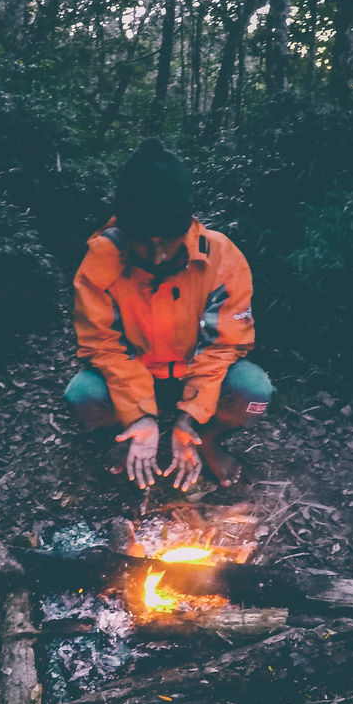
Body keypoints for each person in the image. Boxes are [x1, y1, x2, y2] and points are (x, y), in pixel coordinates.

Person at [63, 138, 272, 492]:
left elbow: (223, 347)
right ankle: (128, 435)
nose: (157, 256)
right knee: (81, 395)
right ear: (125, 230)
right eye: (144, 241)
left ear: (188, 224)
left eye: (168, 240)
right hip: (135, 374)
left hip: (194, 372)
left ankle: (205, 439)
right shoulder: (100, 262)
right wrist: (141, 415)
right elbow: (102, 347)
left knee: (254, 390)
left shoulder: (221, 257)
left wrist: (190, 417)